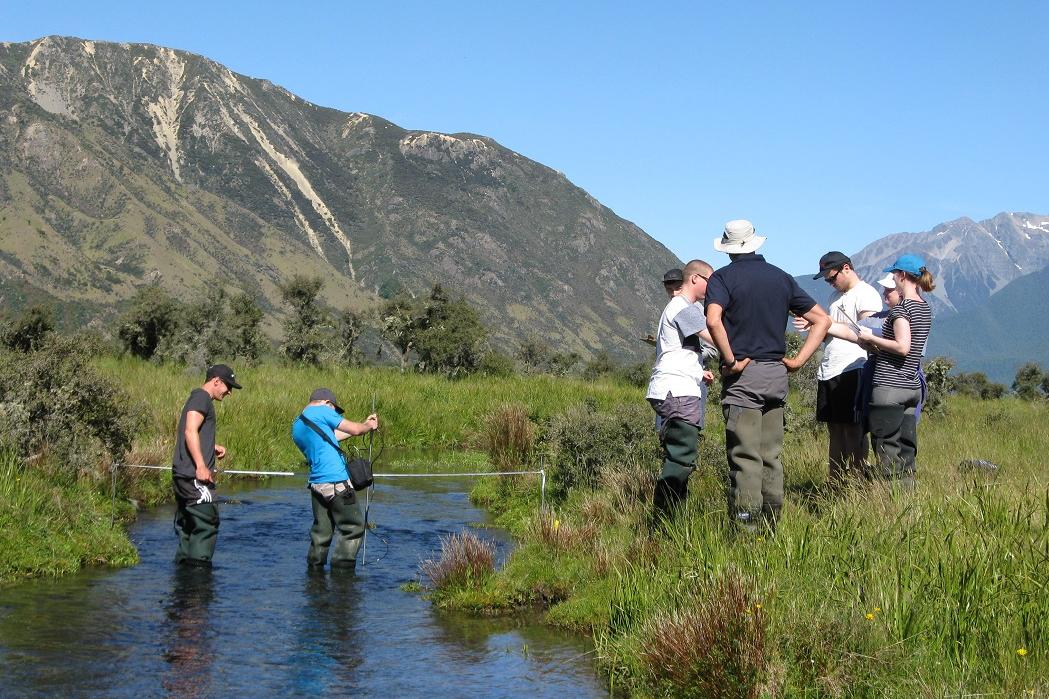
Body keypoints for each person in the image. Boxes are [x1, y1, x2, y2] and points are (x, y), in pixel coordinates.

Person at [704, 220, 831, 534]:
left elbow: (712, 319)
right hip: (776, 375)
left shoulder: (722, 279)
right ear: (755, 244)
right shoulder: (781, 278)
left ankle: (747, 530)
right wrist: (799, 360)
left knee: (745, 457)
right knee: (771, 455)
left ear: (729, 248)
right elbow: (822, 320)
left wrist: (731, 361)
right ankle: (771, 526)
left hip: (744, 377)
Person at [799, 251, 882, 484]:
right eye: (826, 279)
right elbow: (831, 332)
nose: (830, 282)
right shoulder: (835, 297)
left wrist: (826, 323)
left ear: (846, 268)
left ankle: (857, 481)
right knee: (835, 429)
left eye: (831, 276)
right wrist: (815, 325)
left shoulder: (866, 294)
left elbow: (869, 333)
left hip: (853, 367)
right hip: (830, 368)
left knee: (853, 429)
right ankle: (834, 482)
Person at [645, 260, 717, 518]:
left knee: (680, 457)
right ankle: (664, 521)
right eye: (710, 280)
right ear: (696, 279)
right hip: (677, 390)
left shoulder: (681, 307)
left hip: (677, 387)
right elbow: (712, 334)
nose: (712, 286)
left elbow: (680, 349)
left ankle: (673, 517)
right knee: (681, 457)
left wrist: (700, 371)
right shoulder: (682, 307)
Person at [857, 254, 935, 489]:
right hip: (912, 386)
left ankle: (889, 505)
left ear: (902, 276)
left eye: (894, 274)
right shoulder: (925, 308)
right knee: (907, 451)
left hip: (889, 386)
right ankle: (908, 502)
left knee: (886, 450)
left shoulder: (902, 309)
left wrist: (871, 338)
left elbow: (902, 347)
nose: (892, 278)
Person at [291, 388, 379, 571]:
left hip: (316, 486)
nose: (334, 414)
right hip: (337, 483)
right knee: (353, 529)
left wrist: (363, 425)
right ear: (326, 403)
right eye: (334, 410)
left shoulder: (298, 424)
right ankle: (342, 576)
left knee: (321, 533)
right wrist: (368, 426)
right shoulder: (322, 410)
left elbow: (333, 437)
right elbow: (354, 430)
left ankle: (315, 576)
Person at [171, 364, 242, 567]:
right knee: (207, 523)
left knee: (189, 526)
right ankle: (198, 584)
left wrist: (211, 446)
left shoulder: (198, 398)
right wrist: (202, 465)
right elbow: (190, 430)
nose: (229, 392)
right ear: (216, 381)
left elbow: (194, 432)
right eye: (228, 387)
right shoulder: (201, 398)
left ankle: (184, 584)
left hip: (183, 475)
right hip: (195, 477)